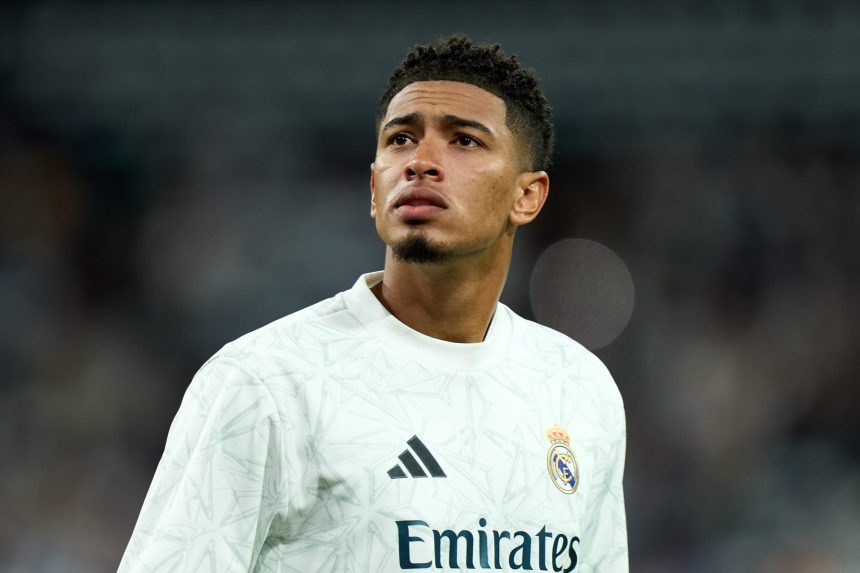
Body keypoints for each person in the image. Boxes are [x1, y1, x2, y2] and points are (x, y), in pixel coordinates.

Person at [118, 35, 628, 572]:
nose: (421, 162)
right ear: (373, 187)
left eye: (464, 141)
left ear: (528, 196)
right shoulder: (265, 383)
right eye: (401, 139)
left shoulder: (578, 388)